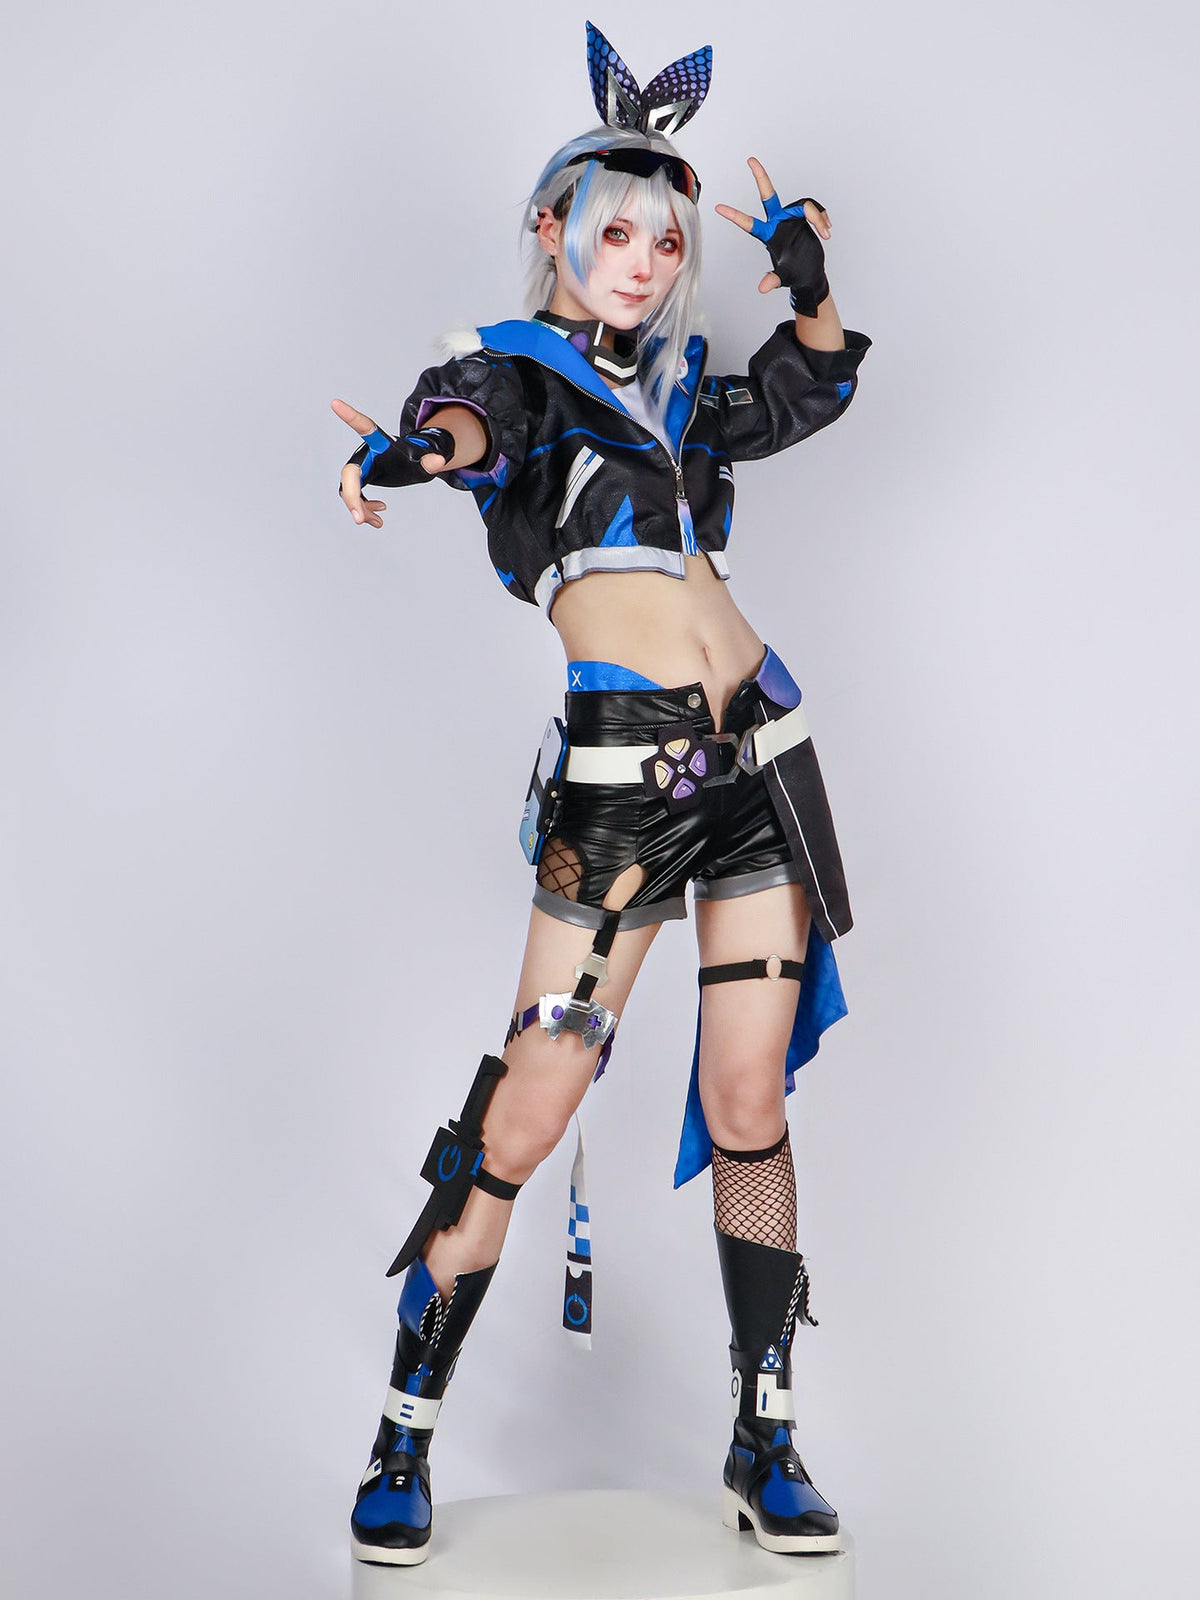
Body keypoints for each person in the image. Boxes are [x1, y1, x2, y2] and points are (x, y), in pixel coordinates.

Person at [332, 22, 870, 1567]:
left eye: (666, 242)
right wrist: (415, 454)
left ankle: (765, 1433)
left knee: (749, 1098)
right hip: (622, 784)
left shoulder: (684, 391)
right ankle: (404, 1431)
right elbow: (464, 430)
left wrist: (811, 284)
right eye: (613, 232)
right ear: (555, 228)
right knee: (532, 1100)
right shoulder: (511, 371)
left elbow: (805, 394)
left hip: (758, 760)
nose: (641, 263)